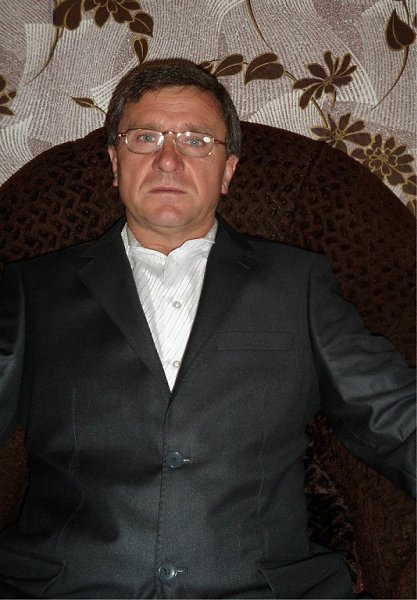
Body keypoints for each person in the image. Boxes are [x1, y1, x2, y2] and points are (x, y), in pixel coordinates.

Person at [0, 59, 415, 599]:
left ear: (228, 171)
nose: (168, 160)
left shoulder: (298, 285)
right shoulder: (32, 290)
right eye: (145, 137)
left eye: (196, 141)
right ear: (115, 163)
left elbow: (395, 418)